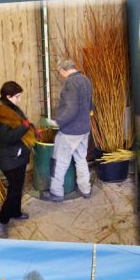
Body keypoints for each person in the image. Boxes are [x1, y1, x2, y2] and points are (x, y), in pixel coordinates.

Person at [40, 59, 93, 202]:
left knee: (59, 162)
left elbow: (71, 108)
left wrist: (57, 122)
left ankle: (56, 193)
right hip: (84, 129)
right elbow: (90, 104)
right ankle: (85, 189)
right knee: (81, 159)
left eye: (60, 72)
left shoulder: (70, 83)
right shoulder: (86, 80)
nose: (61, 75)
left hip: (70, 131)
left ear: (63, 70)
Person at [0, 81, 33, 239]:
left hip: (18, 154)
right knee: (14, 190)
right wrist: (25, 127)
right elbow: (7, 137)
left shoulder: (11, 106)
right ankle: (1, 221)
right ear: (8, 96)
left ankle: (15, 211)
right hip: (8, 157)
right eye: (17, 97)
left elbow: (22, 122)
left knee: (18, 186)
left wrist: (31, 126)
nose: (20, 100)